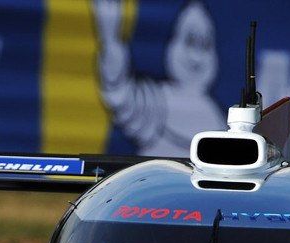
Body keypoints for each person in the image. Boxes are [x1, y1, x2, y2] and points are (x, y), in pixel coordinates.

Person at [93, 0, 225, 156]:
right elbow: (118, 92)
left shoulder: (220, 118)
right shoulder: (157, 102)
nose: (196, 57)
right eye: (189, 42)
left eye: (205, 45)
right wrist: (110, 37)